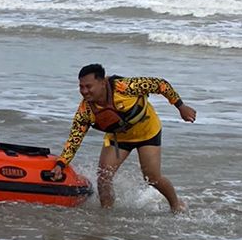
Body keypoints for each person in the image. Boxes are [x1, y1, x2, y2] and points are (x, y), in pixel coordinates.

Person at [52, 63, 197, 211]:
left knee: (152, 178)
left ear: (102, 83)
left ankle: (176, 205)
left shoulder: (125, 87)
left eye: (88, 86)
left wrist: (180, 106)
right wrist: (61, 163)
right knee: (103, 177)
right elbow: (74, 139)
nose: (84, 91)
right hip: (119, 139)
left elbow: (160, 85)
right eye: (81, 87)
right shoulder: (85, 111)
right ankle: (106, 214)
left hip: (147, 133)